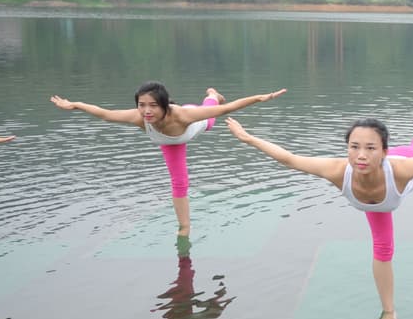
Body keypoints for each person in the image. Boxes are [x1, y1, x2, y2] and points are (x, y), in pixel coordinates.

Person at [225, 107, 413, 319]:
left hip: (402, 176)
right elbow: (289, 159)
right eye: (354, 147)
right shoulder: (337, 170)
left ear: (382, 150)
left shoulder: (402, 168)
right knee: (383, 250)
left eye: (370, 148)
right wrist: (248, 138)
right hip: (377, 205)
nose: (361, 155)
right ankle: (389, 312)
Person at [49, 83, 286, 236]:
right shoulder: (139, 118)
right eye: (142, 105)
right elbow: (105, 113)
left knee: (212, 114)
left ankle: (212, 94)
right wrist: (75, 105)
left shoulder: (183, 114)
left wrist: (260, 98)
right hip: (169, 143)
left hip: (195, 126)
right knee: (180, 183)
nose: (147, 111)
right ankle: (185, 228)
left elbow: (228, 109)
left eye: (153, 106)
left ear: (165, 105)